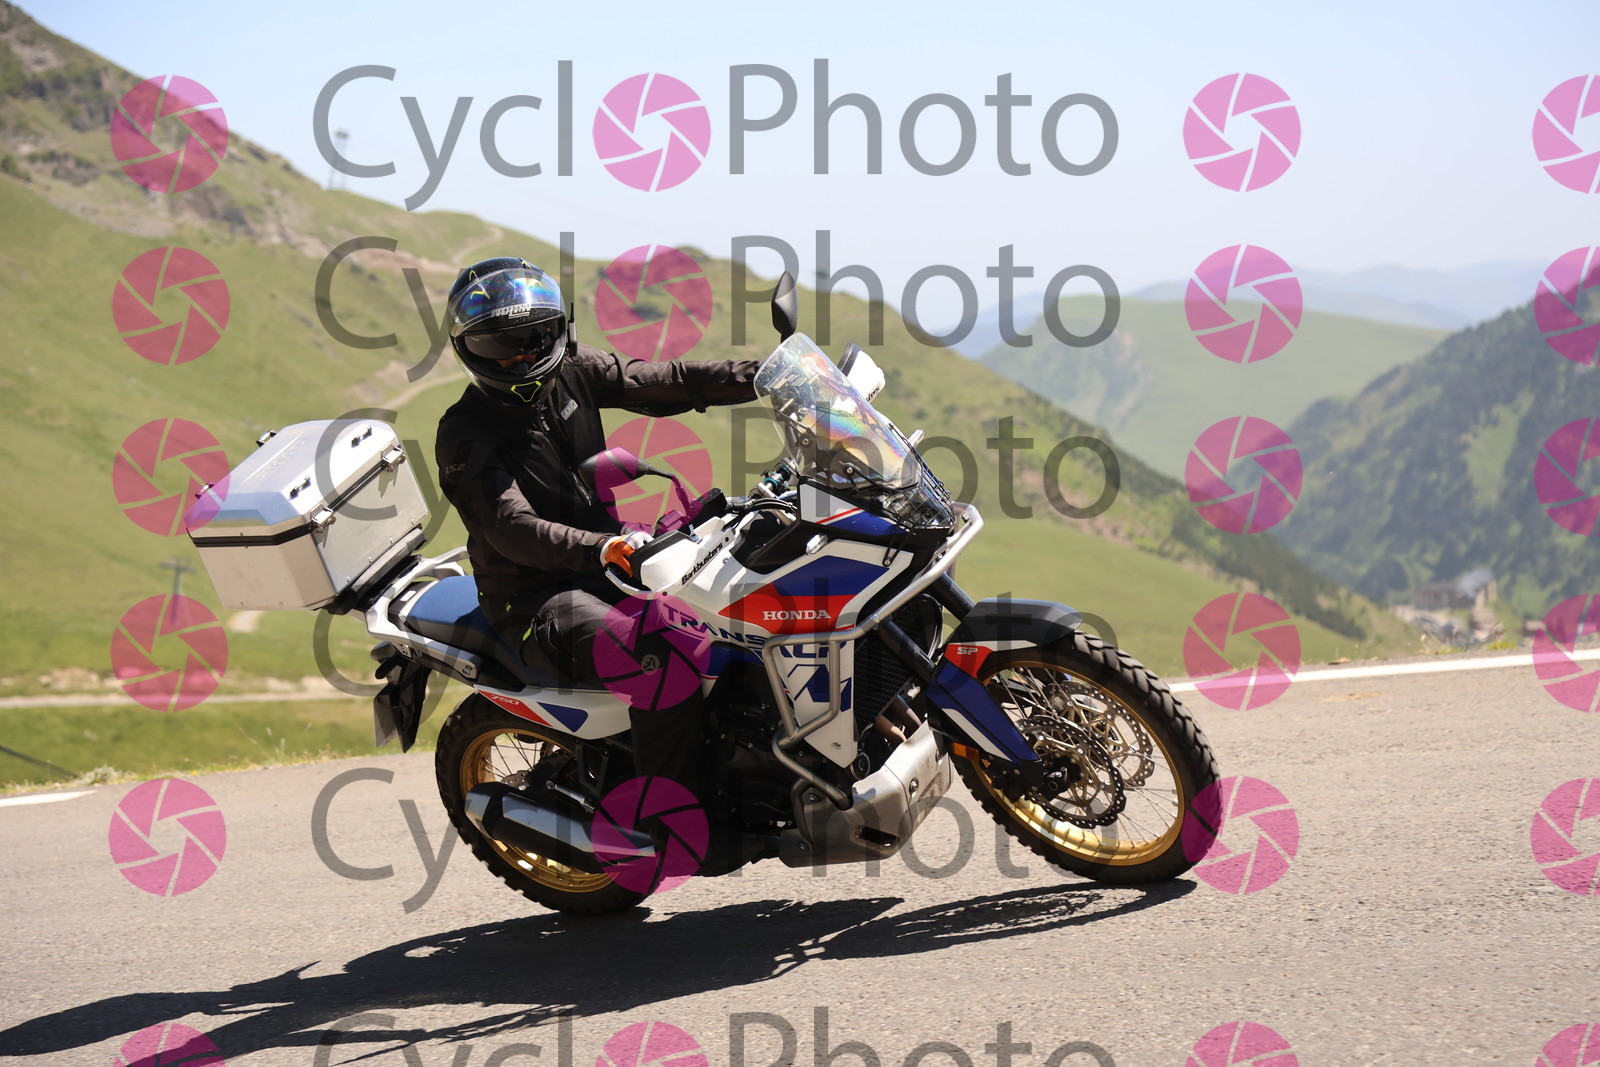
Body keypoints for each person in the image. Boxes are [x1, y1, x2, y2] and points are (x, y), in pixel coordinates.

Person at [433, 256, 763, 866]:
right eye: (499, 345)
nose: (521, 357)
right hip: (536, 600)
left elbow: (667, 380)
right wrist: (600, 546)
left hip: (613, 565)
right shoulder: (465, 432)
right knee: (664, 657)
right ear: (469, 348)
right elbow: (511, 528)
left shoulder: (574, 370)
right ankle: (669, 827)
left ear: (556, 329)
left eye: (533, 338)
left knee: (737, 598)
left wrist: (767, 377)